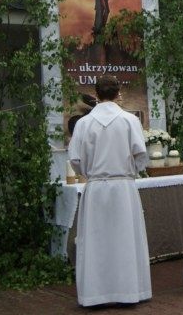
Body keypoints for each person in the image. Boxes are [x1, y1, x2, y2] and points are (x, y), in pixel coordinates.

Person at [68, 75, 151, 307]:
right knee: (125, 240)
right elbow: (141, 156)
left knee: (96, 241)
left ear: (96, 94)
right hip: (123, 188)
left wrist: (90, 172)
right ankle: (128, 292)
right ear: (117, 93)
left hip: (96, 188)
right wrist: (128, 171)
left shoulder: (84, 124)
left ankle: (96, 294)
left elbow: (75, 160)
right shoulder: (129, 121)